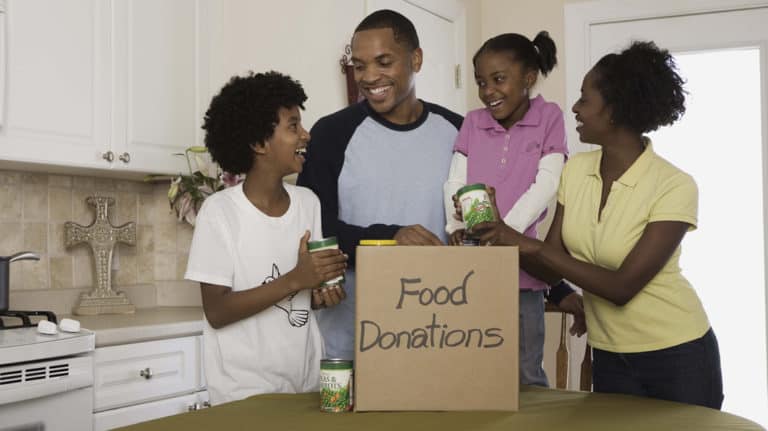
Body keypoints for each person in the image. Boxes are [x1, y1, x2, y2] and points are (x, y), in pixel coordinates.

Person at [472, 41, 723, 408]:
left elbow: (622, 287)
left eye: (584, 99)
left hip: (677, 355)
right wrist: (498, 235)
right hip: (609, 355)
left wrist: (526, 243)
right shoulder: (576, 171)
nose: (573, 107)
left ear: (616, 111)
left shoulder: (674, 185)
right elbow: (548, 266)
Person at [297, 9, 462, 360]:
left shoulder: (460, 131)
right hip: (351, 338)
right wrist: (390, 238)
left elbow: (484, 227)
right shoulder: (331, 133)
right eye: (359, 66)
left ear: (415, 59)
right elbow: (313, 230)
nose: (370, 77)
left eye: (383, 62)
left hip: (440, 332)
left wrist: (552, 289)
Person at [185, 71, 348, 405]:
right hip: (242, 394)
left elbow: (308, 295)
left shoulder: (308, 203)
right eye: (293, 126)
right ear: (259, 143)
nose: (306, 135)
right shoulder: (219, 213)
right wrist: (296, 279)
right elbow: (216, 311)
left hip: (306, 386)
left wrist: (323, 290)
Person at [443, 31, 584, 387]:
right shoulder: (473, 122)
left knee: (524, 374)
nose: (488, 90)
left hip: (522, 274)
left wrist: (505, 231)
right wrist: (453, 223)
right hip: (470, 272)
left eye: (498, 79)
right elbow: (455, 180)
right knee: (471, 371)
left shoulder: (549, 116)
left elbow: (548, 182)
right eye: (480, 82)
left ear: (529, 78)